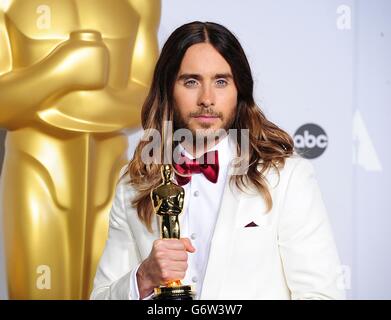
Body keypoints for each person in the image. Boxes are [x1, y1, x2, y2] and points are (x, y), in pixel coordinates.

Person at [90, 21, 345, 300]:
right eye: (191, 81)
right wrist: (143, 277)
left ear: (239, 90)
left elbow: (321, 295)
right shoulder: (133, 183)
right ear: (168, 90)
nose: (207, 99)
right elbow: (101, 296)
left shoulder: (286, 177)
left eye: (221, 81)